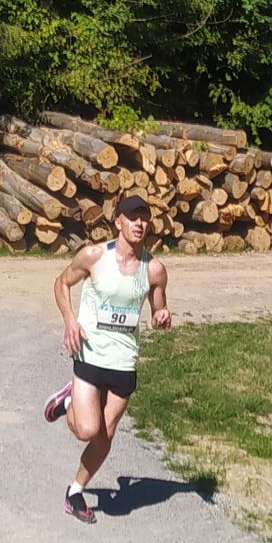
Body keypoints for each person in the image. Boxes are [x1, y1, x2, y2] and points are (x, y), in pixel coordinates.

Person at [40, 195, 171, 524]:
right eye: (132, 217)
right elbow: (61, 283)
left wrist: (162, 316)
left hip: (124, 361)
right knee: (87, 429)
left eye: (144, 218)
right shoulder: (94, 256)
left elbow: (158, 310)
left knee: (105, 435)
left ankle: (75, 492)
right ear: (119, 222)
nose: (139, 223)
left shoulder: (153, 269)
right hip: (91, 352)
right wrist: (70, 319)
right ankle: (70, 398)